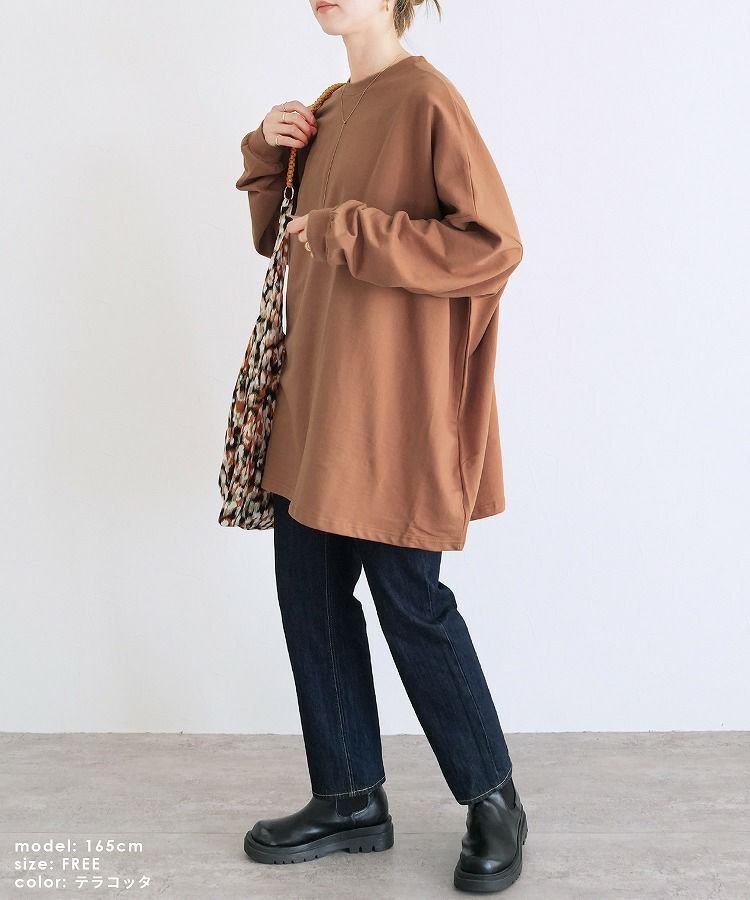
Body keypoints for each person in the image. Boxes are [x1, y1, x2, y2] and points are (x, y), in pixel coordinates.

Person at [236, 0, 527, 893]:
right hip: (315, 400)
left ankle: (494, 800)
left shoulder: (425, 99)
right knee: (310, 597)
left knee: (411, 602)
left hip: (390, 407)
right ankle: (349, 795)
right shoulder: (330, 106)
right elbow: (277, 241)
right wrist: (268, 151)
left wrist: (350, 228)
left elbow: (491, 244)